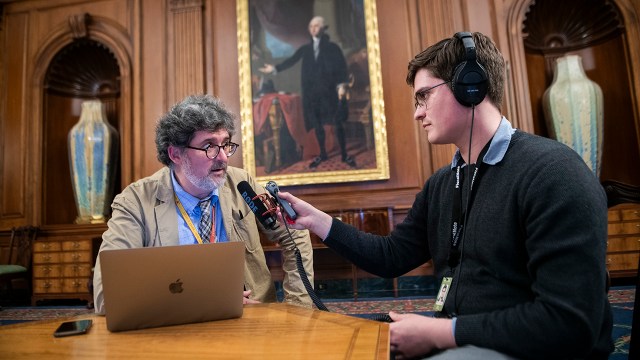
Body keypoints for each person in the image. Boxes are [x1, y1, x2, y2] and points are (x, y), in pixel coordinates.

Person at [275, 32, 613, 359]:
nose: (417, 113)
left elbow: (568, 325)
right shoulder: (442, 183)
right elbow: (392, 257)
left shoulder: (554, 173)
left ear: (471, 86)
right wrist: (316, 221)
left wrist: (440, 334)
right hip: (463, 339)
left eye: (424, 96)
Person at [92, 94, 315, 314]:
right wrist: (207, 300)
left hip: (251, 321)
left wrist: (297, 307)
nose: (223, 157)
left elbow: (294, 233)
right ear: (175, 154)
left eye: (225, 144)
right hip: (175, 328)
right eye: (209, 146)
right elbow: (107, 295)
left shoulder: (241, 183)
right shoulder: (135, 202)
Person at [259, 16, 356, 169]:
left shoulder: (333, 48)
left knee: (338, 124)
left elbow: (341, 68)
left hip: (331, 94)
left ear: (324, 28)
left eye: (317, 26)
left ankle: (345, 154)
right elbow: (292, 60)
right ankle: (323, 153)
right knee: (317, 125)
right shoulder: (306, 49)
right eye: (311, 26)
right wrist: (274, 69)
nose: (313, 29)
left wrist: (342, 86)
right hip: (313, 95)